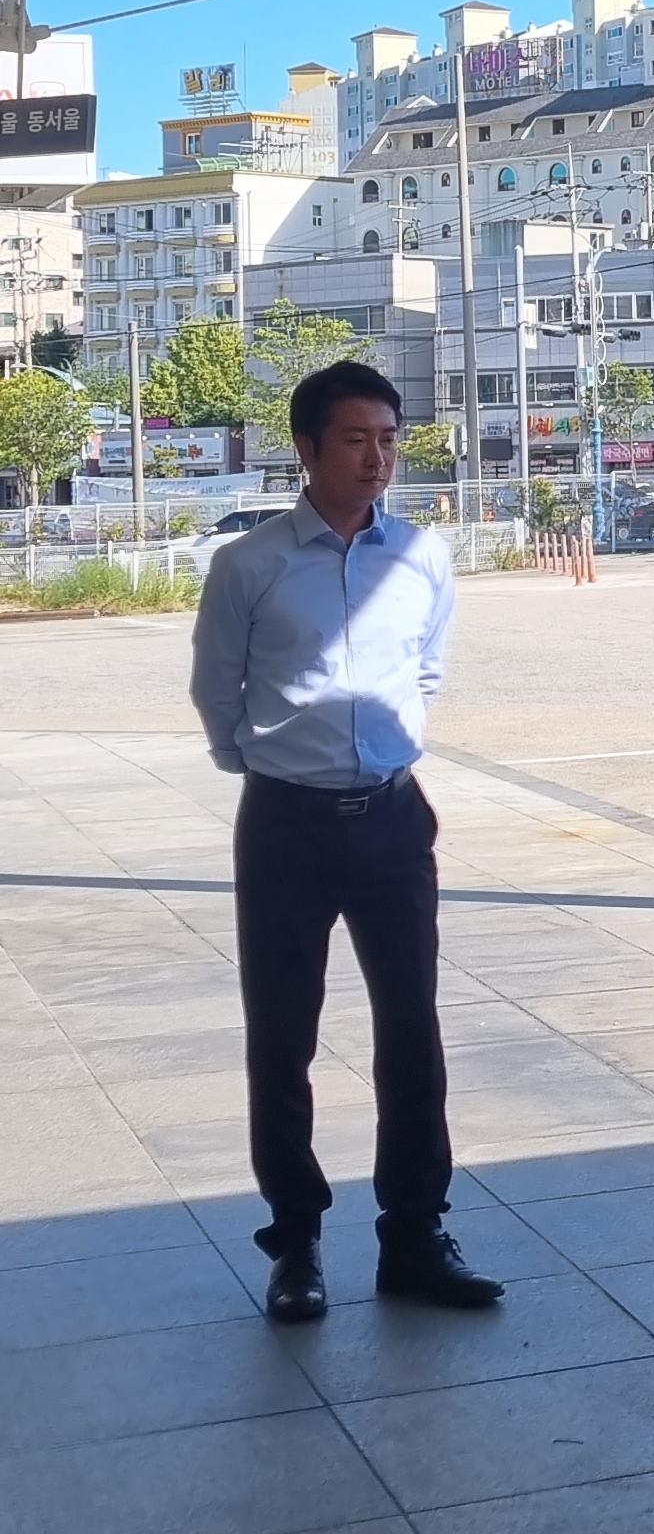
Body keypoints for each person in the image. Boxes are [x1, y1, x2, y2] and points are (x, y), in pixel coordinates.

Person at [189, 358, 503, 1328]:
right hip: (286, 825)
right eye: (358, 439)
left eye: (389, 439)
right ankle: (296, 1241)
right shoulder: (249, 565)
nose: (378, 459)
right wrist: (269, 763)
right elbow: (217, 690)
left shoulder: (422, 556)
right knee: (282, 1037)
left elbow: (428, 668)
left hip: (394, 821)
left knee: (412, 1032)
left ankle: (415, 1234)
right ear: (309, 448)